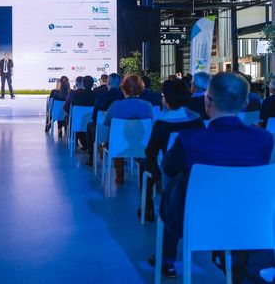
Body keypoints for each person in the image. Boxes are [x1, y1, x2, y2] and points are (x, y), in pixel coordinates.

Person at [152, 72, 274, 280]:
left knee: (173, 184)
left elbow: (168, 168)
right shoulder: (264, 139)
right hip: (248, 219)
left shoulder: (189, 140)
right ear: (245, 103)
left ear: (207, 101)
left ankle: (167, 257)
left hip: (198, 221)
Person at [139, 79, 204, 222]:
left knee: (145, 163)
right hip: (194, 171)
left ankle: (147, 207)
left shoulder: (162, 124)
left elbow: (150, 152)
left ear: (167, 99)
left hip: (169, 172)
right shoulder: (197, 120)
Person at [104, 75, 153, 184]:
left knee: (115, 138)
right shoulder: (148, 106)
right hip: (143, 146)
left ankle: (119, 174)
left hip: (118, 146)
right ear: (141, 89)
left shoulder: (115, 105)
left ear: (123, 88)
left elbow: (106, 123)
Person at [85, 73, 124, 166]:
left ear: (107, 83)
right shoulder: (124, 98)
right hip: (123, 133)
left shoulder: (101, 97)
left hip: (103, 132)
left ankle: (91, 157)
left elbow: (94, 118)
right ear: (120, 83)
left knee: (90, 125)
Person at [66, 76, 98, 148]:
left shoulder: (76, 95)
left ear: (83, 84)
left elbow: (71, 108)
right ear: (93, 84)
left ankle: (78, 142)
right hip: (92, 123)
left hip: (77, 124)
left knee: (71, 119)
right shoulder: (96, 95)